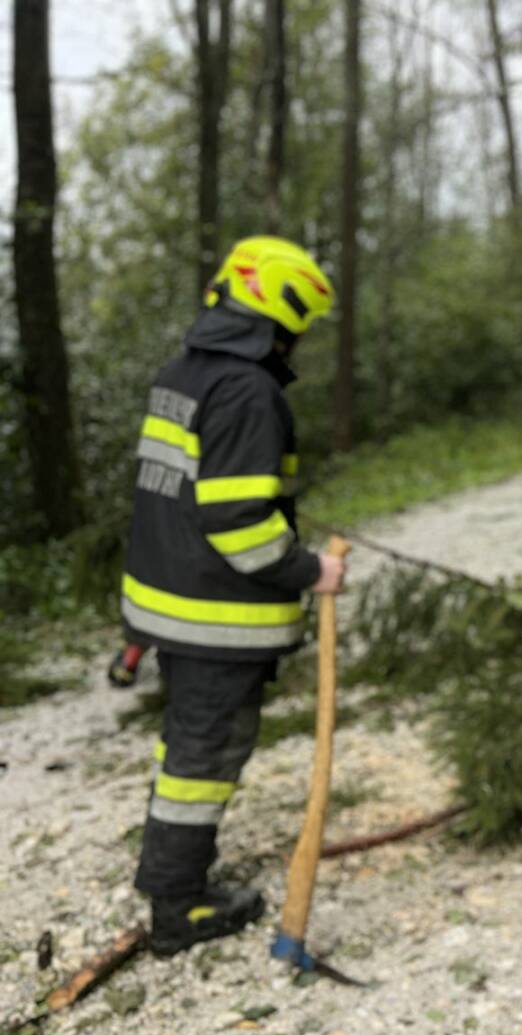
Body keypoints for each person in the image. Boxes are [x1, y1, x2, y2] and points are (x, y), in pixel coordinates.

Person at [121, 236, 346, 956]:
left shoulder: (184, 373)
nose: (298, 341)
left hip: (170, 606)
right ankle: (178, 906)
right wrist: (311, 572)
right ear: (280, 317)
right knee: (203, 757)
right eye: (299, 326)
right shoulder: (248, 393)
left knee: (188, 743)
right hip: (215, 619)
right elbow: (241, 526)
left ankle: (169, 874)